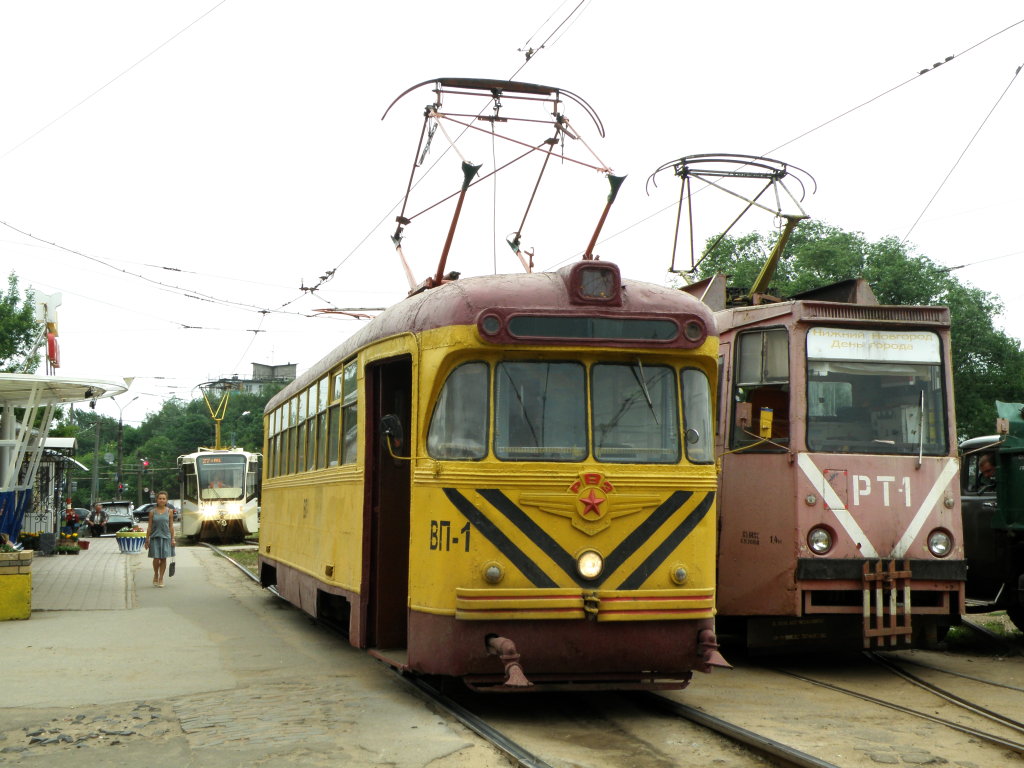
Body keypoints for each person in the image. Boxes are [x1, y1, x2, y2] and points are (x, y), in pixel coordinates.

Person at [145, 490, 175, 587]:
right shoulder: (152, 512)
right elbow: (149, 526)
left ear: (166, 500)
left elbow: (171, 526)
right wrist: (147, 539)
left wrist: (173, 539)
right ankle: (156, 574)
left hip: (166, 537)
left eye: (164, 499)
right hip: (155, 537)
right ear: (157, 500)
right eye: (160, 498)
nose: (162, 500)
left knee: (163, 558)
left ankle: (161, 578)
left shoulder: (169, 512)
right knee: (156, 558)